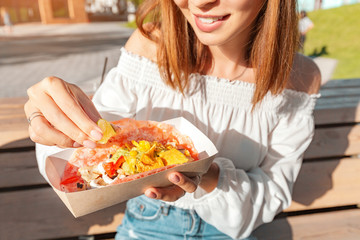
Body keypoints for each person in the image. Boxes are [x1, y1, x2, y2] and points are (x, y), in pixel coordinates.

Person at [24, 0, 321, 239]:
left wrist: (206, 173)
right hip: (146, 224)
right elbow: (90, 147)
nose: (199, 3)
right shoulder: (150, 45)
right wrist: (54, 119)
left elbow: (271, 194)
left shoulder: (299, 79)